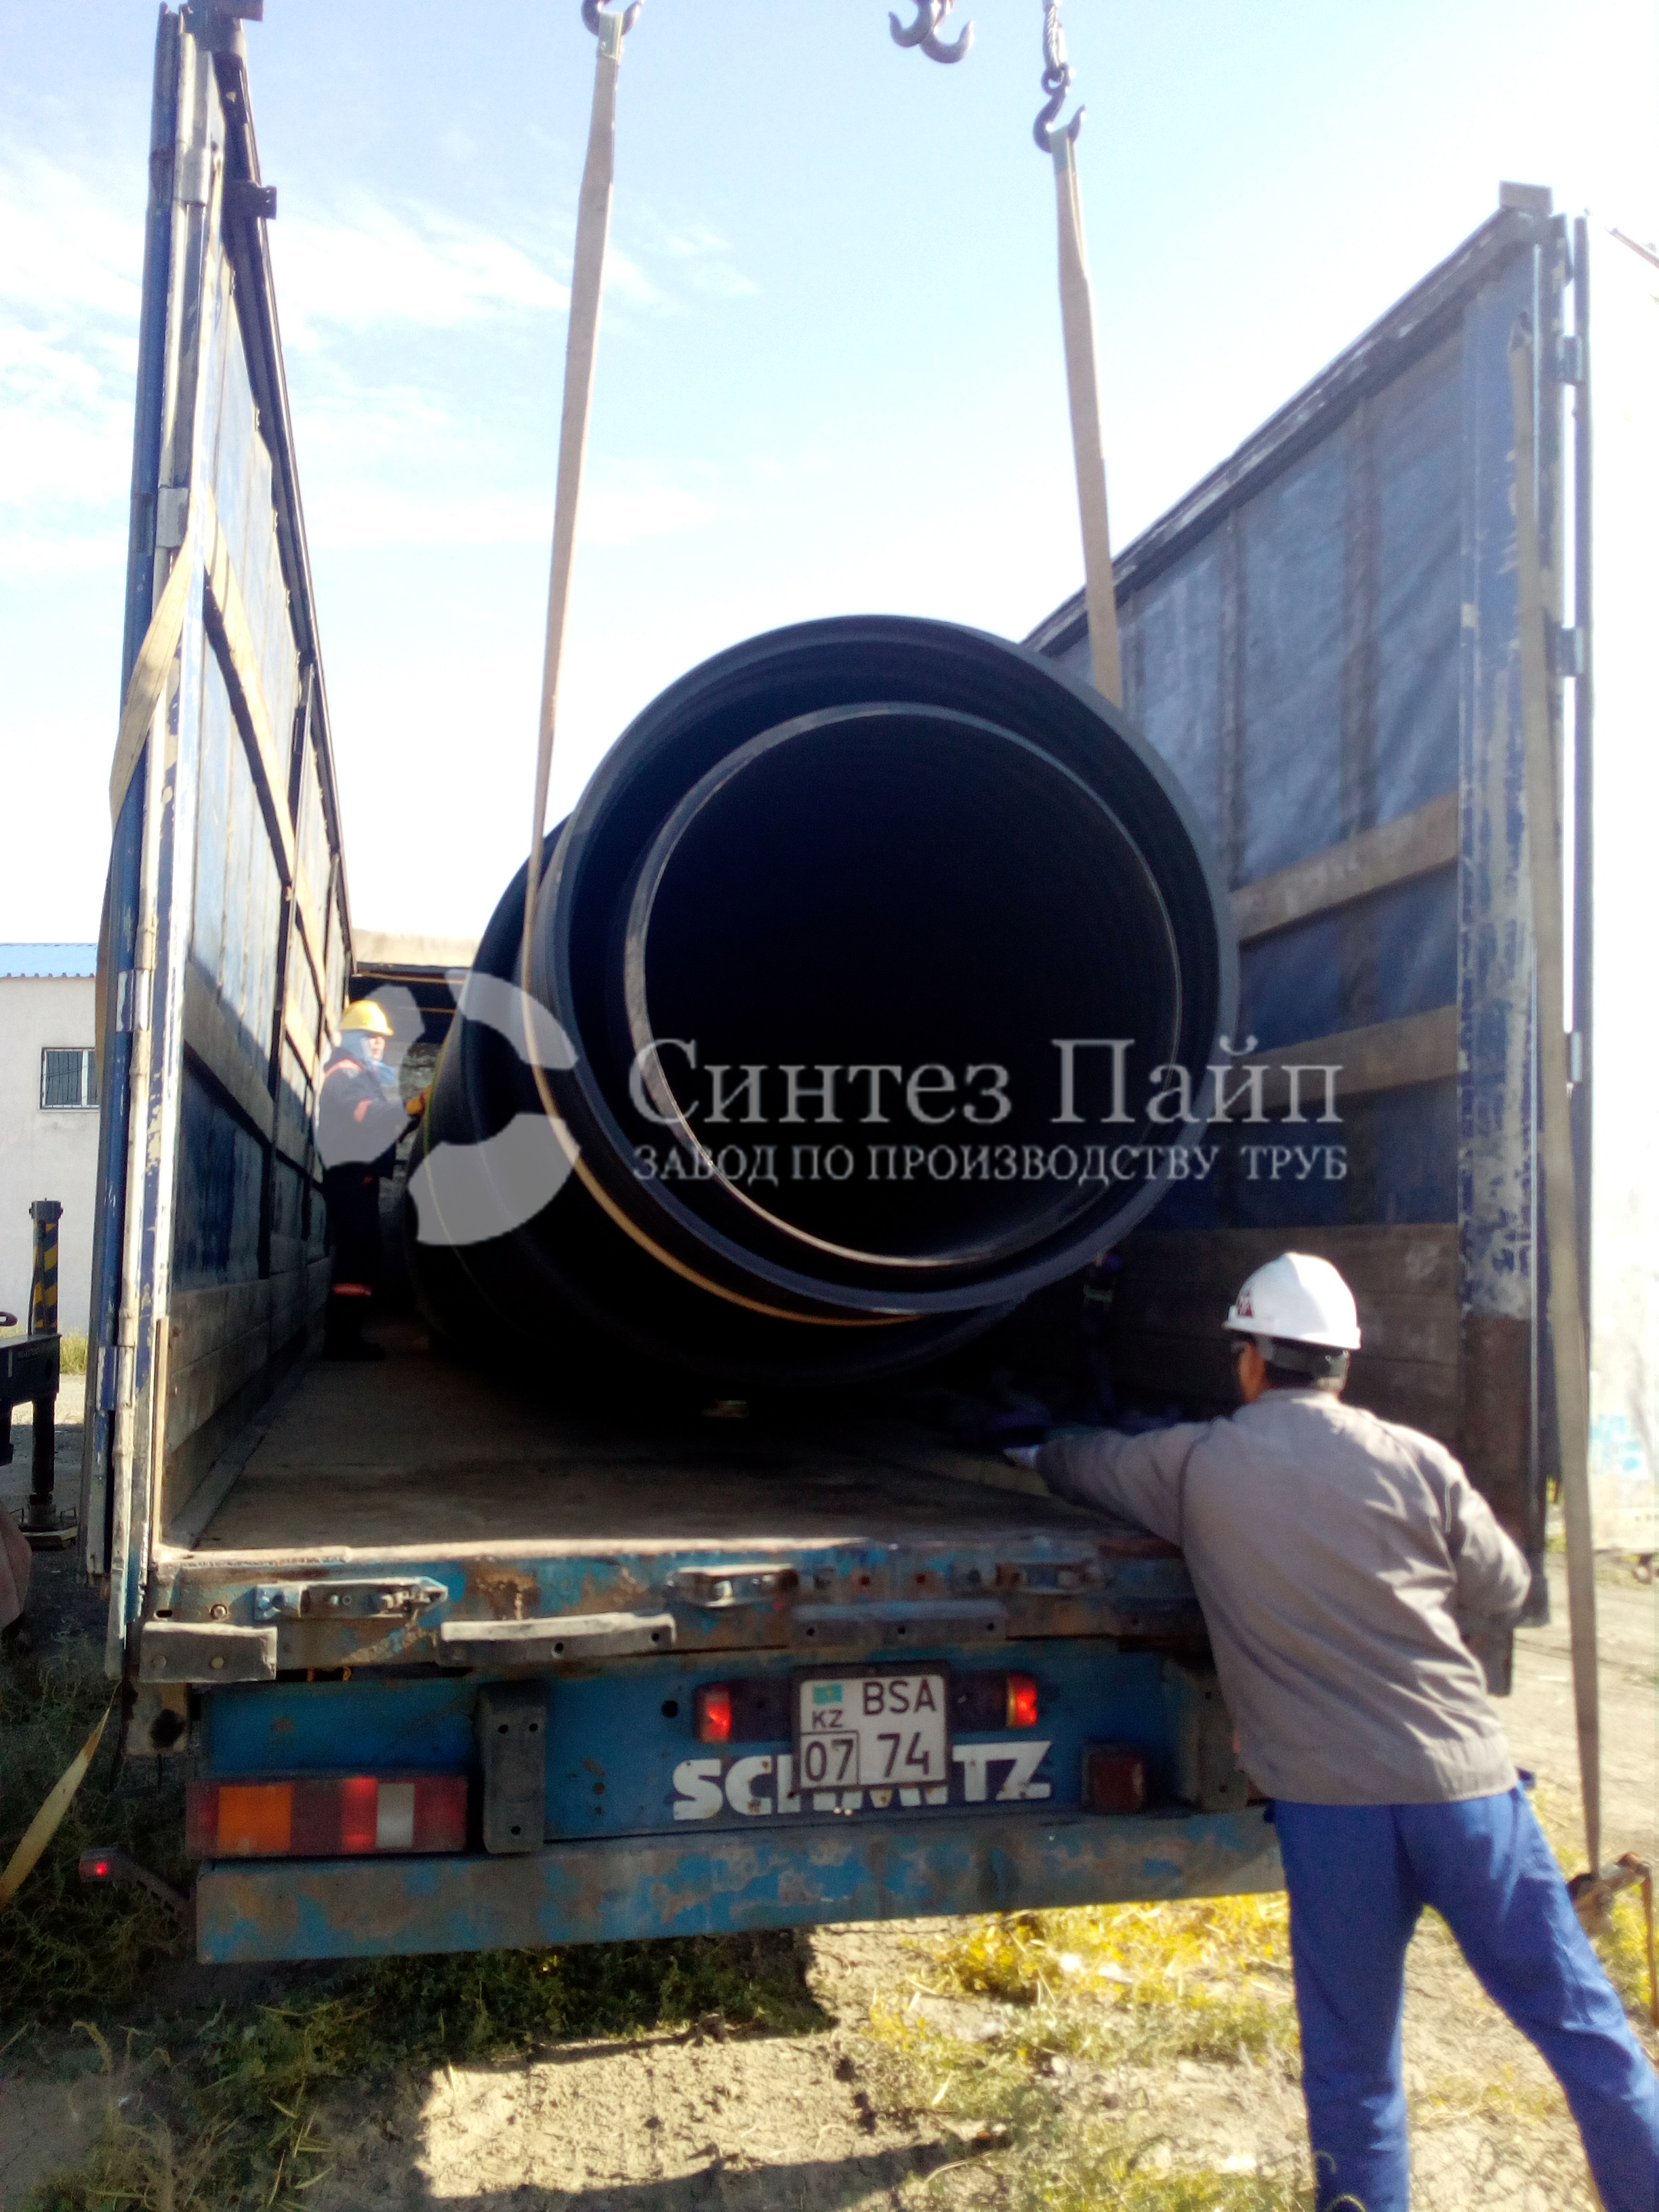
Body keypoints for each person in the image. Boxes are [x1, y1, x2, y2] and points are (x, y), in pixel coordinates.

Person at [1015, 1250, 1658, 2212]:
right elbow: (1505, 1586)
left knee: (1355, 2070)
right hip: (1468, 1796)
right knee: (1585, 2030)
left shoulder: (1194, 1465)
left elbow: (1085, 1465)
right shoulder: (1416, 1461)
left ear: (1249, 1362)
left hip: (1334, 1814)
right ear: (1343, 1365)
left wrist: (1029, 1451)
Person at [316, 999, 426, 1360]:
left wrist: (413, 1115)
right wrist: (411, 1107)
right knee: (356, 1258)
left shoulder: (358, 1075)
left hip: (356, 1178)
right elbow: (368, 1115)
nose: (380, 1042)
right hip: (350, 1179)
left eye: (382, 1037)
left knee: (364, 1255)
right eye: (372, 1036)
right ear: (352, 1037)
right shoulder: (347, 1074)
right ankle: (342, 1342)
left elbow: (381, 1126)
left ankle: (348, 1337)